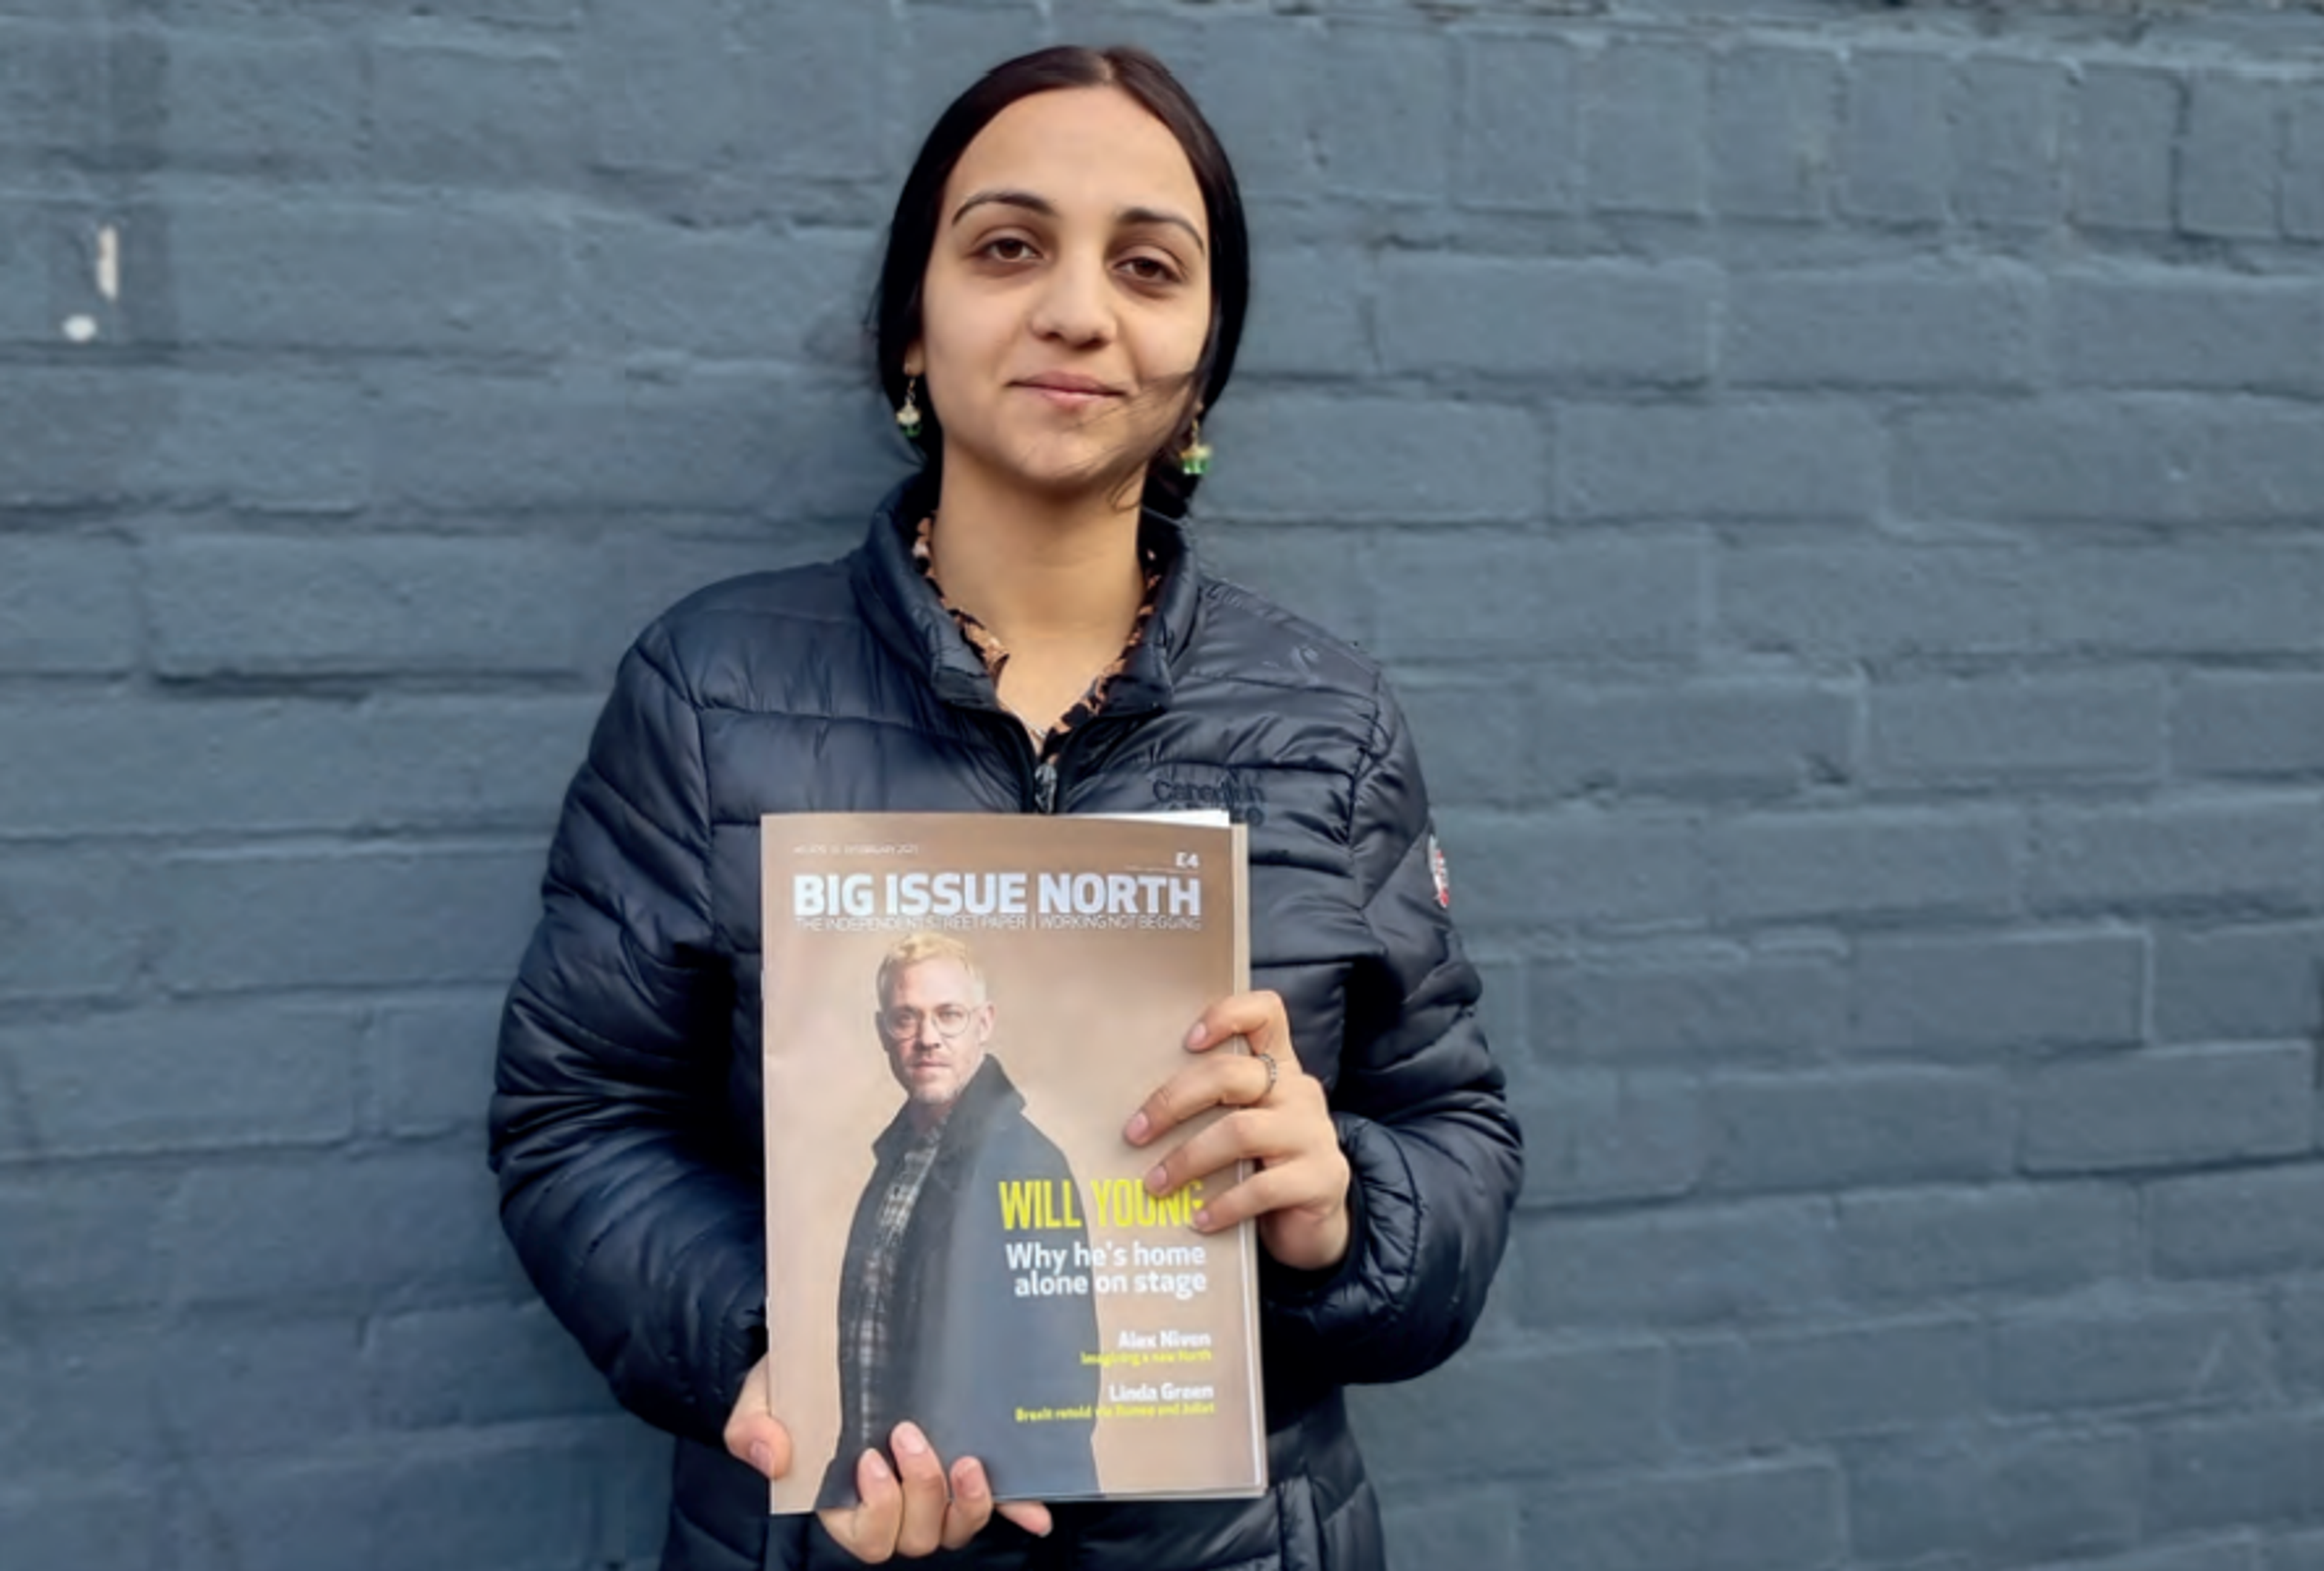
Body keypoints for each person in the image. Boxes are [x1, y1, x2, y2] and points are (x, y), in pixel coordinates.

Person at [490, 42, 1523, 1571]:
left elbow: (1456, 1130)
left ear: (1198, 363)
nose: (1077, 308)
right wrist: (788, 1358)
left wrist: (1343, 1204)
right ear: (913, 324)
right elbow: (579, 1117)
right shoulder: (710, 688)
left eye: (1147, 265)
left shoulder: (1331, 721)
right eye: (1008, 245)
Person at [819, 933, 1098, 1509]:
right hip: (881, 1501)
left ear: (984, 1022)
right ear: (882, 1032)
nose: (927, 1039)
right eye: (906, 1018)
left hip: (981, 1516)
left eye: (949, 1015)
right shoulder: (897, 1158)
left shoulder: (1026, 1161)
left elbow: (1062, 1382)